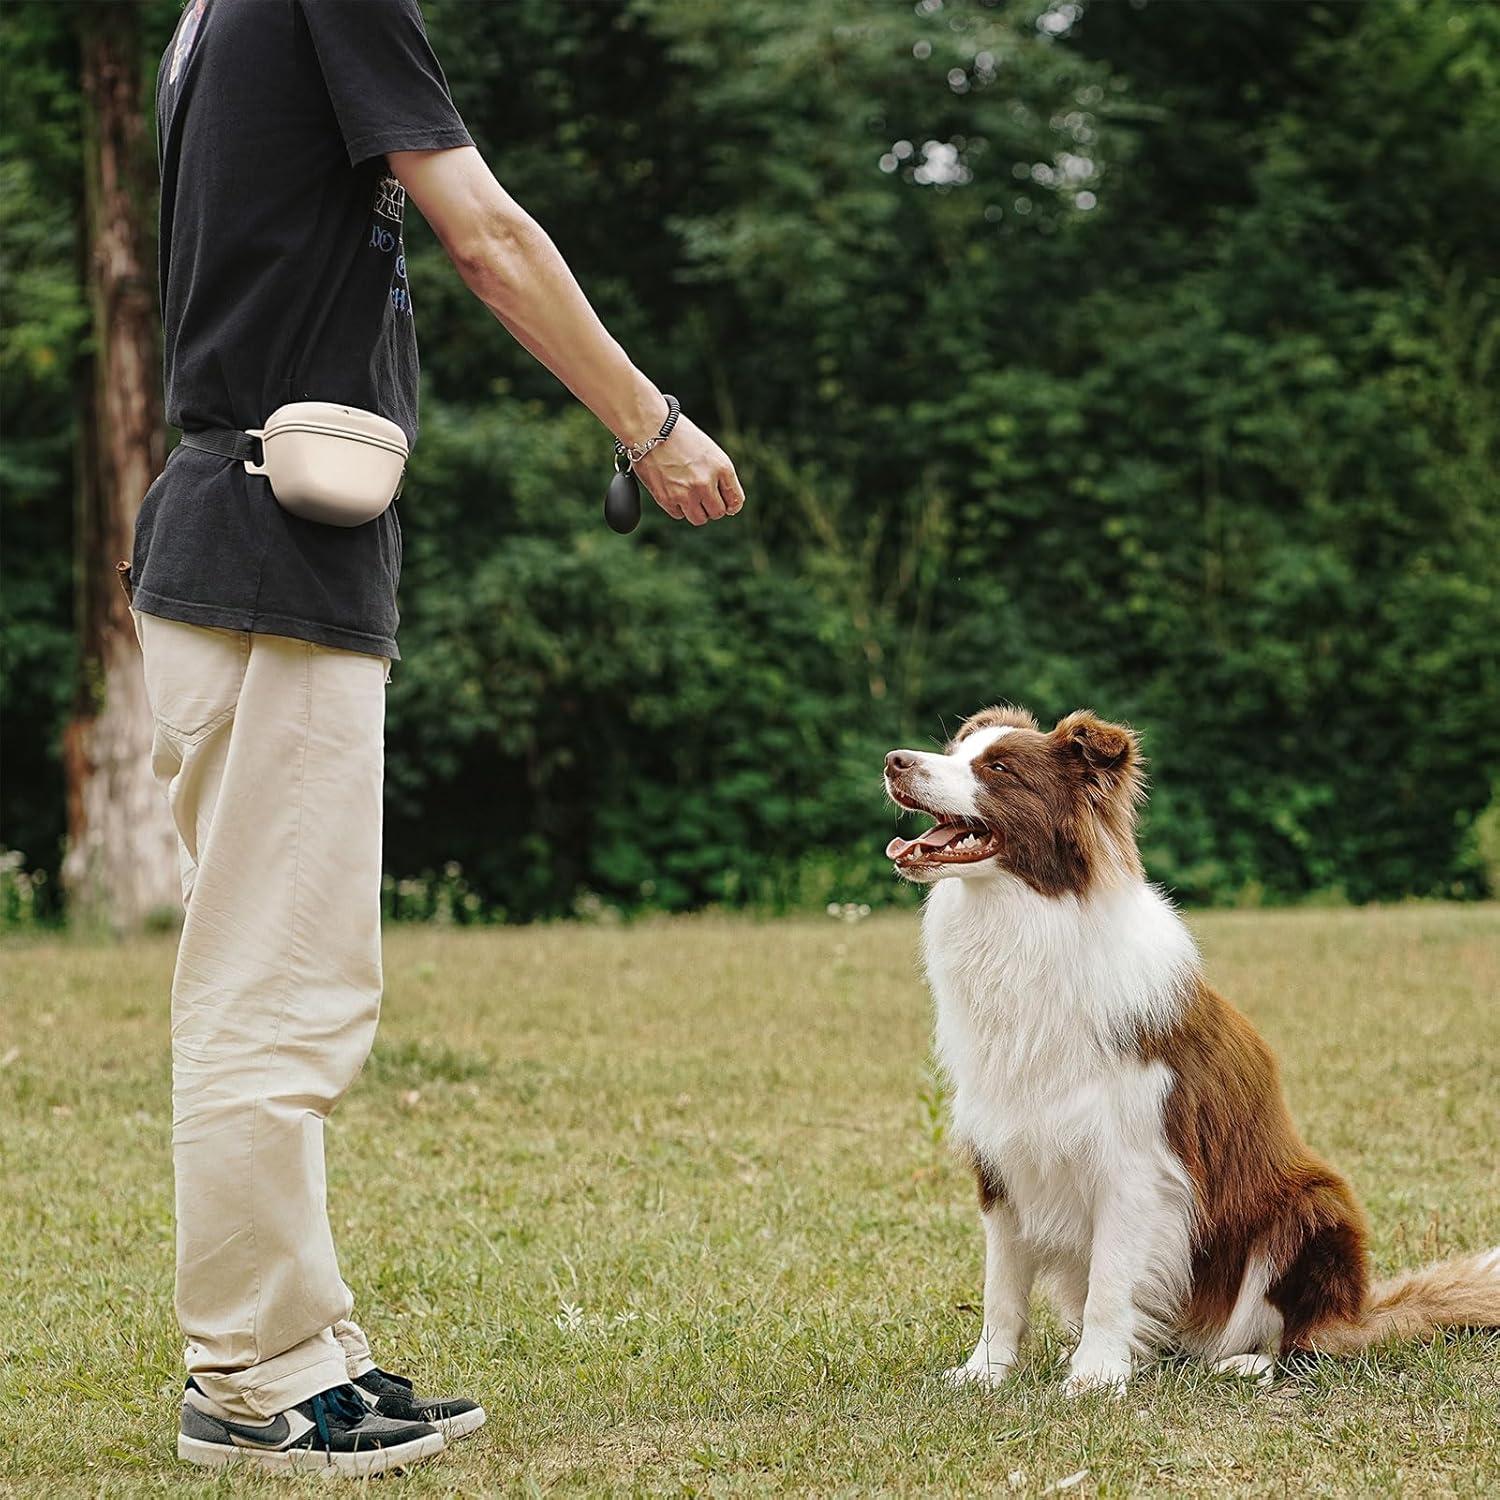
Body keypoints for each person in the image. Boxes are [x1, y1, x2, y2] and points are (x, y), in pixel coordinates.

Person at [129, 0, 743, 1476]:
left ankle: (305, 1336)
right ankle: (254, 1375)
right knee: (275, 989)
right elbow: (489, 235)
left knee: (287, 973)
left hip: (238, 533)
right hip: (275, 544)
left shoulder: (215, 17)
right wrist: (649, 422)